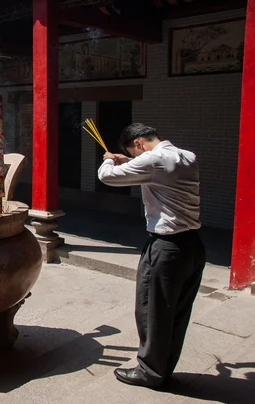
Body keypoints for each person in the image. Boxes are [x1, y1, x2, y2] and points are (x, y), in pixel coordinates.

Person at [97, 123, 205, 389]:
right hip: (193, 245)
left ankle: (149, 371)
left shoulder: (152, 160)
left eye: (133, 153)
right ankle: (163, 369)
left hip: (166, 248)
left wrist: (109, 160)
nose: (135, 158)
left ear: (139, 144)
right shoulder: (187, 156)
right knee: (177, 312)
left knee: (152, 310)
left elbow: (108, 177)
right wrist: (130, 161)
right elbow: (150, 168)